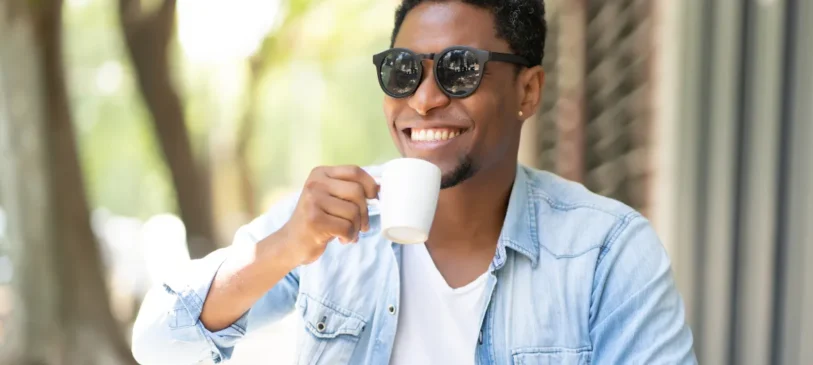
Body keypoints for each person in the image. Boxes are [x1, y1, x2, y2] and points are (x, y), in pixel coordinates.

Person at [131, 0, 697, 364]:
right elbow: (158, 343)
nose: (424, 100)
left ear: (528, 91)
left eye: (460, 69)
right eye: (403, 72)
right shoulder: (325, 224)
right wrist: (281, 249)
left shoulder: (607, 253)